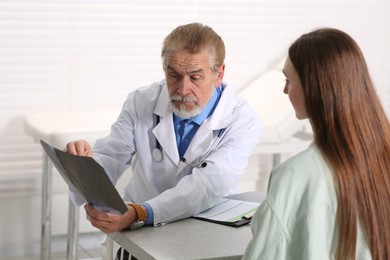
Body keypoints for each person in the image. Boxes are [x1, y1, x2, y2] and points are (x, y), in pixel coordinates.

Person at [65, 22, 263, 257]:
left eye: (195, 77)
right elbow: (111, 156)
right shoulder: (141, 102)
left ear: (218, 74)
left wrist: (141, 212)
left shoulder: (242, 119)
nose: (183, 88)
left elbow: (207, 185)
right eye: (174, 75)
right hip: (137, 231)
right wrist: (85, 164)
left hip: (209, 226)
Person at [243, 28, 390, 260]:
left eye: (288, 80)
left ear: (315, 86)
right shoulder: (384, 159)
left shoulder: (294, 176)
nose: (284, 90)